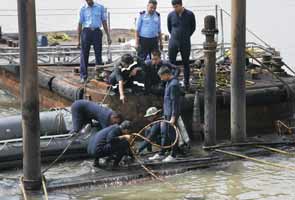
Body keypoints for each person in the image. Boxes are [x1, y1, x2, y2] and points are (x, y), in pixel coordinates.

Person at [149, 67, 181, 162]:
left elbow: (175, 102)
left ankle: (173, 155)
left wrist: (173, 117)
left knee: (172, 134)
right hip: (167, 112)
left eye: (161, 77)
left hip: (171, 114)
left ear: (166, 74)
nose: (161, 79)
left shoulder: (174, 85)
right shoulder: (168, 82)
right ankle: (161, 153)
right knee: (165, 133)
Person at [78, 0, 112, 83]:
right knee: (84, 54)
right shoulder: (83, 8)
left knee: (98, 53)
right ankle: (83, 76)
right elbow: (79, 24)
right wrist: (78, 40)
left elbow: (104, 21)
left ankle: (99, 74)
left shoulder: (100, 7)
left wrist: (108, 36)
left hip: (97, 31)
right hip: (86, 32)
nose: (88, 1)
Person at [167, 0, 196, 89]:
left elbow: (193, 27)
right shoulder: (171, 15)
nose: (175, 8)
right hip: (173, 42)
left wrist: (186, 36)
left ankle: (186, 83)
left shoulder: (190, 14)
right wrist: (175, 36)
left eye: (176, 7)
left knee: (186, 62)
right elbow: (169, 28)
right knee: (171, 62)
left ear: (181, 5)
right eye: (174, 7)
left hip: (185, 42)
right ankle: (172, 82)